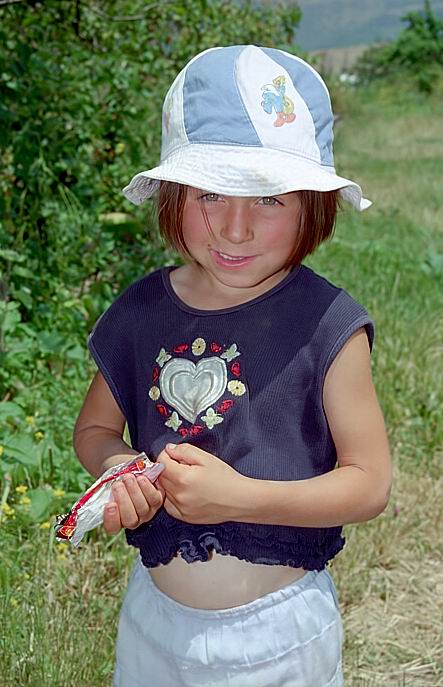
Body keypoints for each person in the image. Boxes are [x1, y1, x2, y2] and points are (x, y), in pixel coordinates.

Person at [73, 45, 392, 687]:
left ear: (312, 205)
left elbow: (369, 483)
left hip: (279, 635)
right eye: (211, 193)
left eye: (269, 199)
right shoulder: (140, 312)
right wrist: (119, 471)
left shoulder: (326, 322)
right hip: (152, 621)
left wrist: (240, 499)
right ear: (173, 195)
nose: (236, 228)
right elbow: (95, 431)